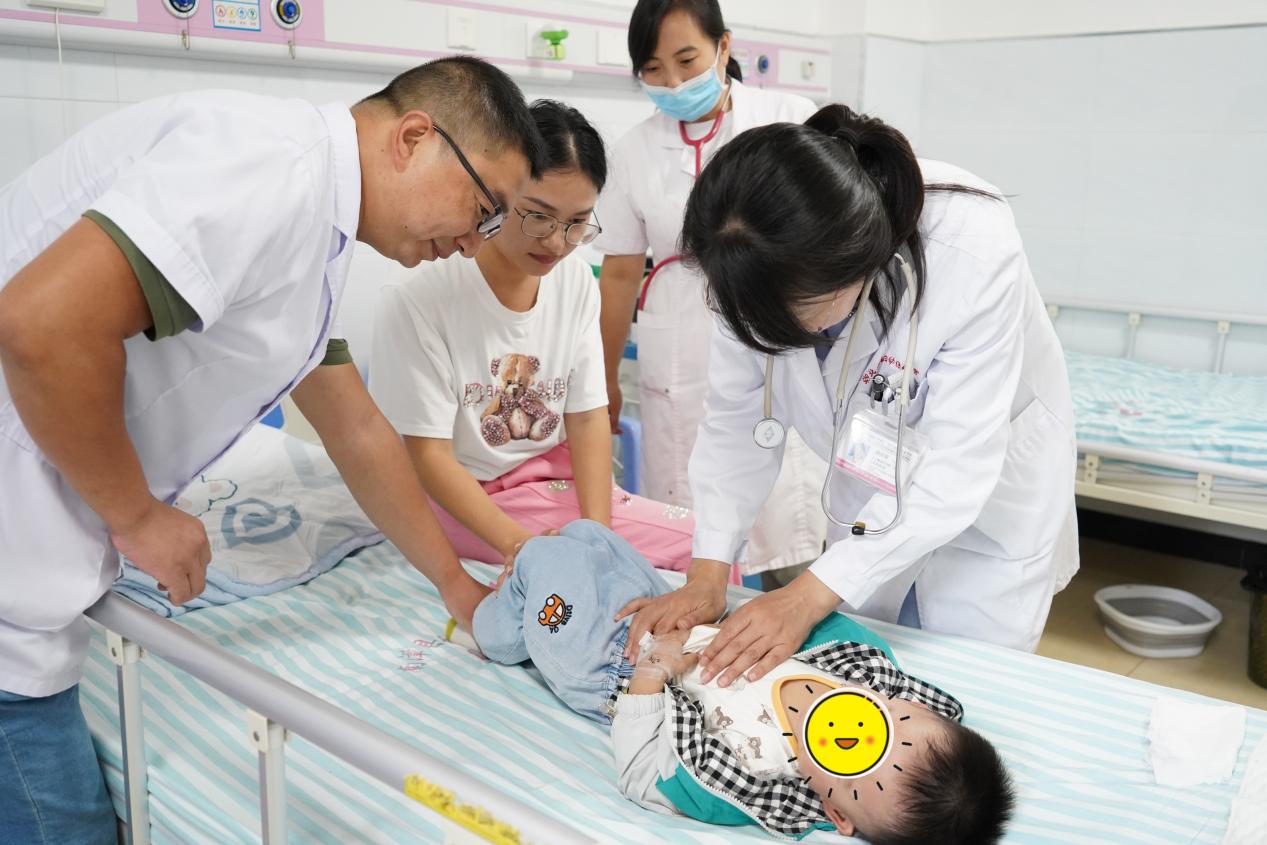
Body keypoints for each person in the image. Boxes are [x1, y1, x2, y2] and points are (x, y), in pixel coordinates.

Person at [0, 56, 541, 844]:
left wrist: (454, 582)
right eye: (482, 209)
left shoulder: (315, 224)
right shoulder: (270, 168)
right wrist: (137, 515)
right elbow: (40, 324)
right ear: (414, 138)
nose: (471, 242)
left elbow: (355, 428)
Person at [622, 104, 1080, 688]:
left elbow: (955, 465)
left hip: (988, 507)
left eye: (795, 316)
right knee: (856, 674)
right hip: (870, 489)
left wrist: (804, 596)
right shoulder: (744, 255)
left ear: (855, 266)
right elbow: (734, 425)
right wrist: (707, 573)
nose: (769, 336)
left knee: (965, 689)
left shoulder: (971, 246)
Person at [452, 520, 1015, 844]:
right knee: (590, 538)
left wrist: (653, 671)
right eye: (897, 724)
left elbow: (643, 771)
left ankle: (487, 625)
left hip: (611, 664)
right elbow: (803, 623)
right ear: (910, 704)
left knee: (548, 568)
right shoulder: (857, 667)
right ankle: (537, 578)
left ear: (836, 813)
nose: (860, 734)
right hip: (672, 614)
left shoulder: (757, 782)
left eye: (856, 767)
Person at [370, 100, 694, 573]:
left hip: (549, 482)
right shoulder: (420, 300)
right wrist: (524, 548)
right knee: (694, 547)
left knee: (706, 549)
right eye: (538, 217)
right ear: (496, 195)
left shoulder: (575, 282)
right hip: (462, 499)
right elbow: (429, 457)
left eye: (578, 222)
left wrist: (598, 535)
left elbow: (587, 417)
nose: (557, 242)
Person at [594, 0, 828, 581]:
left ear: (724, 47)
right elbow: (620, 273)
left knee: (785, 513)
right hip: (677, 338)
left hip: (769, 323)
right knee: (689, 523)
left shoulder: (788, 117)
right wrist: (603, 380)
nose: (673, 82)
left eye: (686, 60)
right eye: (653, 69)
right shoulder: (632, 151)